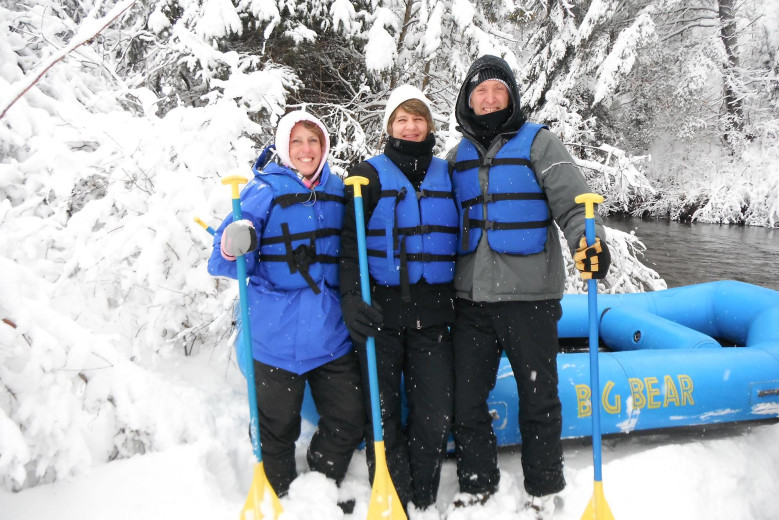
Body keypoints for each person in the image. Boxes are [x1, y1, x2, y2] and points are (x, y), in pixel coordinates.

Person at [446, 55, 612, 519]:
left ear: (512, 96)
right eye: (481, 91)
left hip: (530, 300)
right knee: (467, 399)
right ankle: (477, 484)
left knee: (539, 397)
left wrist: (588, 242)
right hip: (470, 301)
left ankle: (542, 489)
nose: (490, 98)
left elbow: (576, 206)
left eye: (499, 89)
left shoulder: (540, 143)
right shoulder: (455, 157)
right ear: (468, 99)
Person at [207, 110, 365, 510]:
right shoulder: (262, 191)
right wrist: (231, 245)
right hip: (273, 336)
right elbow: (221, 261)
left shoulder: (340, 190)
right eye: (297, 141)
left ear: (325, 146)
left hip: (330, 335)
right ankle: (281, 496)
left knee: (348, 419)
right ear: (283, 147)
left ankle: (321, 484)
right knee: (277, 429)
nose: (306, 149)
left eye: (313, 141)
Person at [339, 84, 458, 517]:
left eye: (418, 118)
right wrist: (352, 298)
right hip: (381, 316)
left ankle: (423, 497)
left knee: (433, 414)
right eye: (401, 119)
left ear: (429, 125)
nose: (410, 127)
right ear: (390, 126)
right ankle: (395, 496)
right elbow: (350, 248)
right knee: (383, 413)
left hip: (434, 315)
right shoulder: (367, 175)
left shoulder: (451, 174)